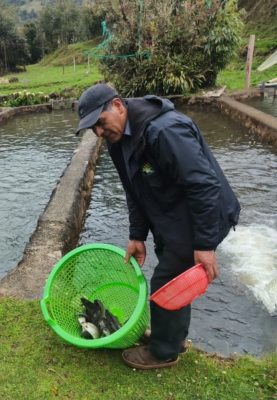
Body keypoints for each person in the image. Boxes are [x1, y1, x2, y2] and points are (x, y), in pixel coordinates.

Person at [75, 84, 240, 370]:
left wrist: (205, 244)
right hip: (171, 214)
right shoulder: (118, 139)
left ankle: (164, 352)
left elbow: (203, 186)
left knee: (165, 281)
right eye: (93, 128)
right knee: (174, 272)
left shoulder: (165, 131)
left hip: (202, 214)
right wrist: (137, 235)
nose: (99, 132)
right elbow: (133, 189)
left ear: (118, 105)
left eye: (100, 122)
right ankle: (174, 338)